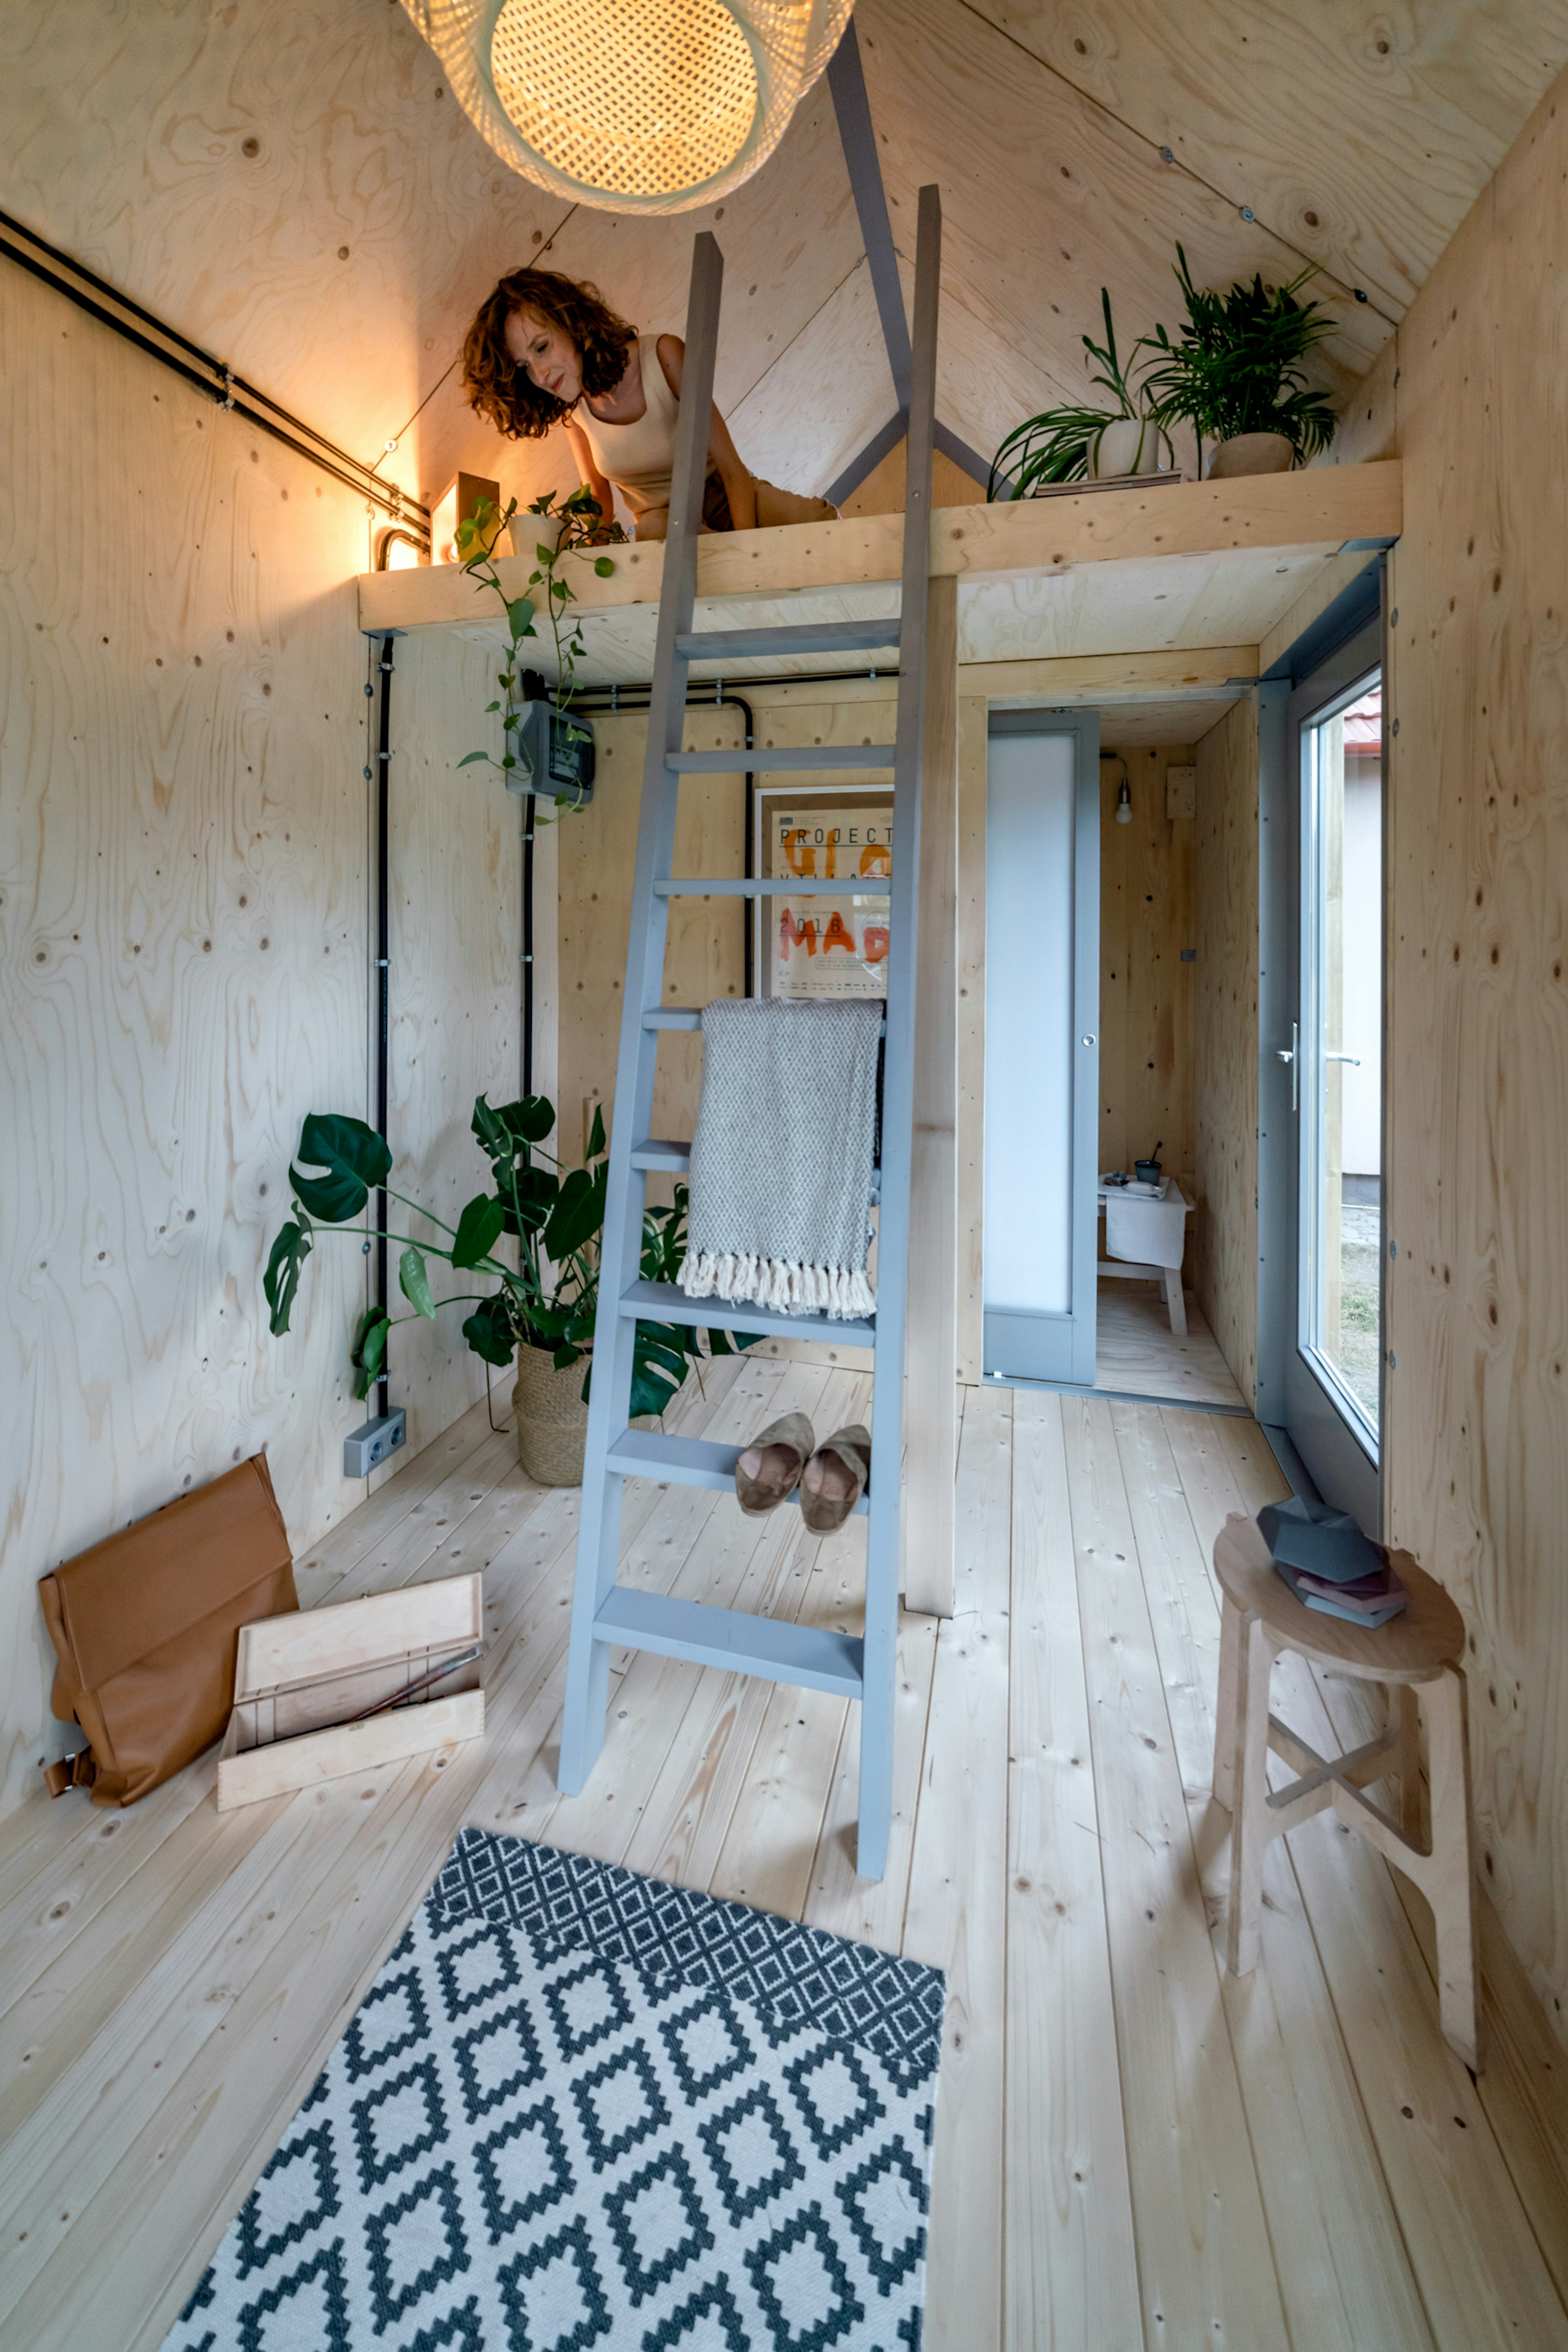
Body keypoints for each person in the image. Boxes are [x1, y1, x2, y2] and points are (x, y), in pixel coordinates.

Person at [462, 266, 837, 541]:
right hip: (665, 528)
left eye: (541, 347)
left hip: (727, 497)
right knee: (657, 532)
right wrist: (589, 563)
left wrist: (746, 551)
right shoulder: (576, 416)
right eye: (525, 367)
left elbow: (732, 468)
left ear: (572, 322)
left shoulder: (665, 356)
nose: (541, 375)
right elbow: (599, 502)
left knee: (819, 527)